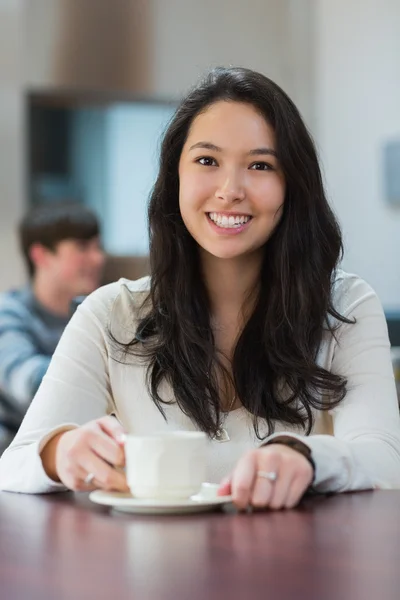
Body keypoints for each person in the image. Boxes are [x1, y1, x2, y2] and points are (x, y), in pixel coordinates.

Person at [1, 67, 399, 510]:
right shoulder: (110, 313)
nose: (230, 191)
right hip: (157, 571)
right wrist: (60, 453)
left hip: (304, 573)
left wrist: (308, 456)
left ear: (292, 186)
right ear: (174, 179)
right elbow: (14, 464)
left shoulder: (344, 305)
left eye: (260, 165)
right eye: (207, 161)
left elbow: (385, 460)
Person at [0, 203, 105, 454]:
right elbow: (27, 383)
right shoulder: (9, 312)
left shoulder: (100, 311)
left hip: (80, 454)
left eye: (98, 247)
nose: (98, 258)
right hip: (14, 456)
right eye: (82, 247)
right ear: (40, 256)